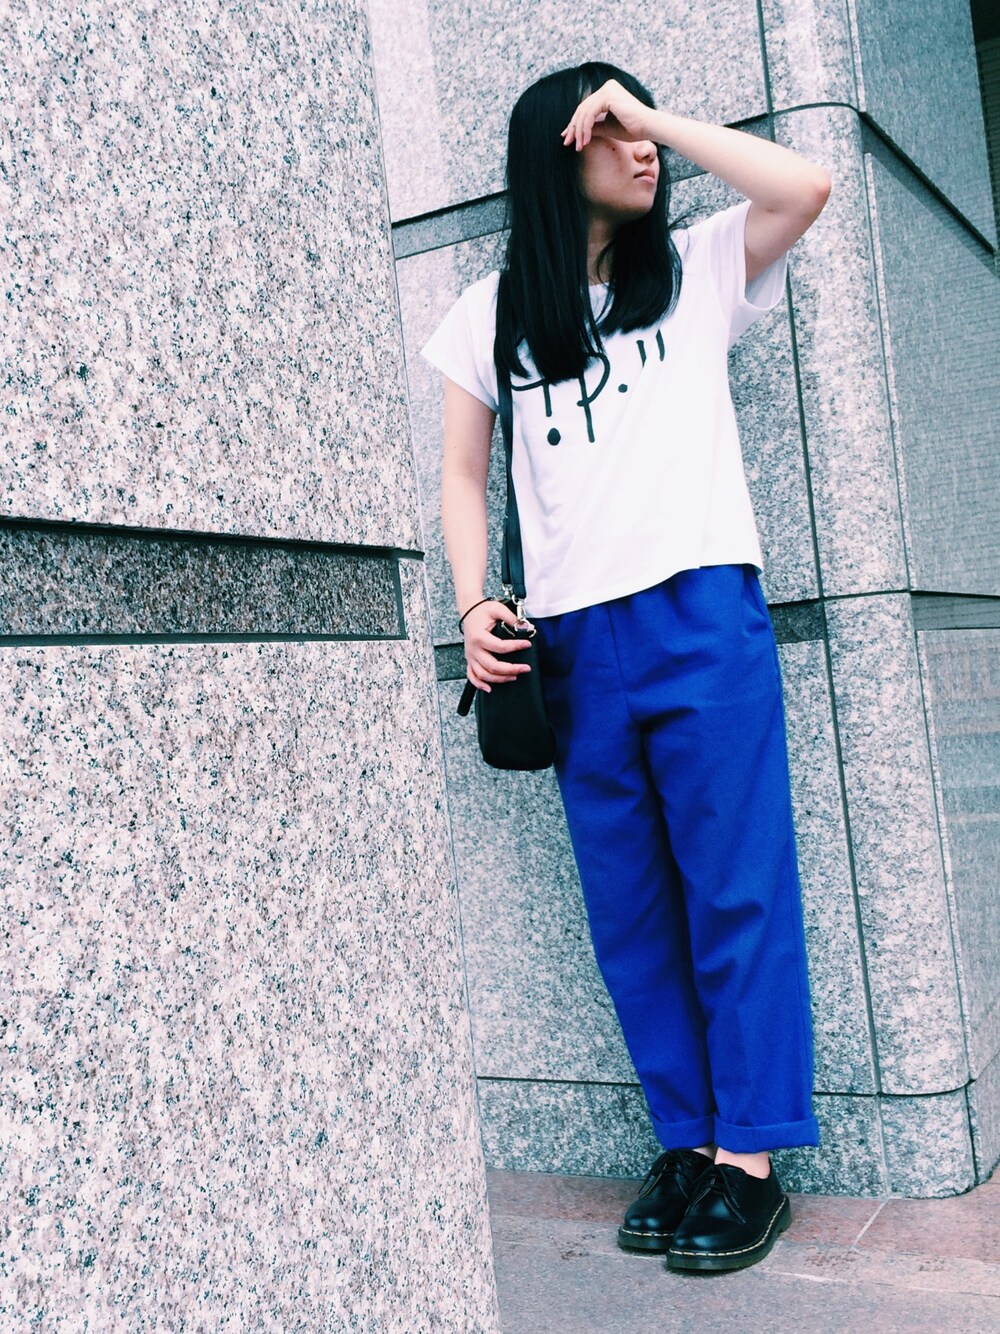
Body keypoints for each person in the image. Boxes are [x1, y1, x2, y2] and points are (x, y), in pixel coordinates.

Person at [422, 61, 830, 1274]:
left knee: (736, 890)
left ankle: (749, 1160)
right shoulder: (492, 312)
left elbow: (805, 184)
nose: (639, 150)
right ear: (556, 154)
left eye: (636, 124)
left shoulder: (697, 270)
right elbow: (461, 474)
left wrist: (652, 116)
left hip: (699, 612)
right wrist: (472, 602)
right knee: (631, 914)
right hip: (570, 644)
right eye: (609, 130)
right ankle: (686, 1138)